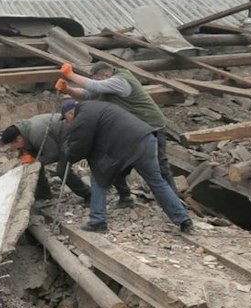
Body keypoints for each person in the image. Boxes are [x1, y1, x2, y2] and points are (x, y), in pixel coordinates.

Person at [57, 99, 193, 234]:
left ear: (70, 113)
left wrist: (67, 152)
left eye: (66, 119)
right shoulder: (94, 106)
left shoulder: (83, 118)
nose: (68, 123)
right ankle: (183, 219)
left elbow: (79, 148)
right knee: (157, 181)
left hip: (127, 145)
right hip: (146, 138)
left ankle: (98, 221)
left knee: (98, 179)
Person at [58, 60, 174, 186]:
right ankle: (126, 197)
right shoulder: (106, 84)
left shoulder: (121, 81)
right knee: (117, 167)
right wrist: (68, 89)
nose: (98, 83)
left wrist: (71, 75)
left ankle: (176, 201)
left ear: (107, 76)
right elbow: (88, 94)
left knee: (160, 166)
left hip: (152, 126)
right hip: (134, 130)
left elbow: (95, 86)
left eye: (99, 80)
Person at [0, 112, 126, 203]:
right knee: (34, 162)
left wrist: (35, 161)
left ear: (19, 138)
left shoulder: (35, 133)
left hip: (72, 137)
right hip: (57, 139)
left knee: (62, 170)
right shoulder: (23, 131)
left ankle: (89, 195)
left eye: (13, 145)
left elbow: (53, 154)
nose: (13, 149)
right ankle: (44, 194)